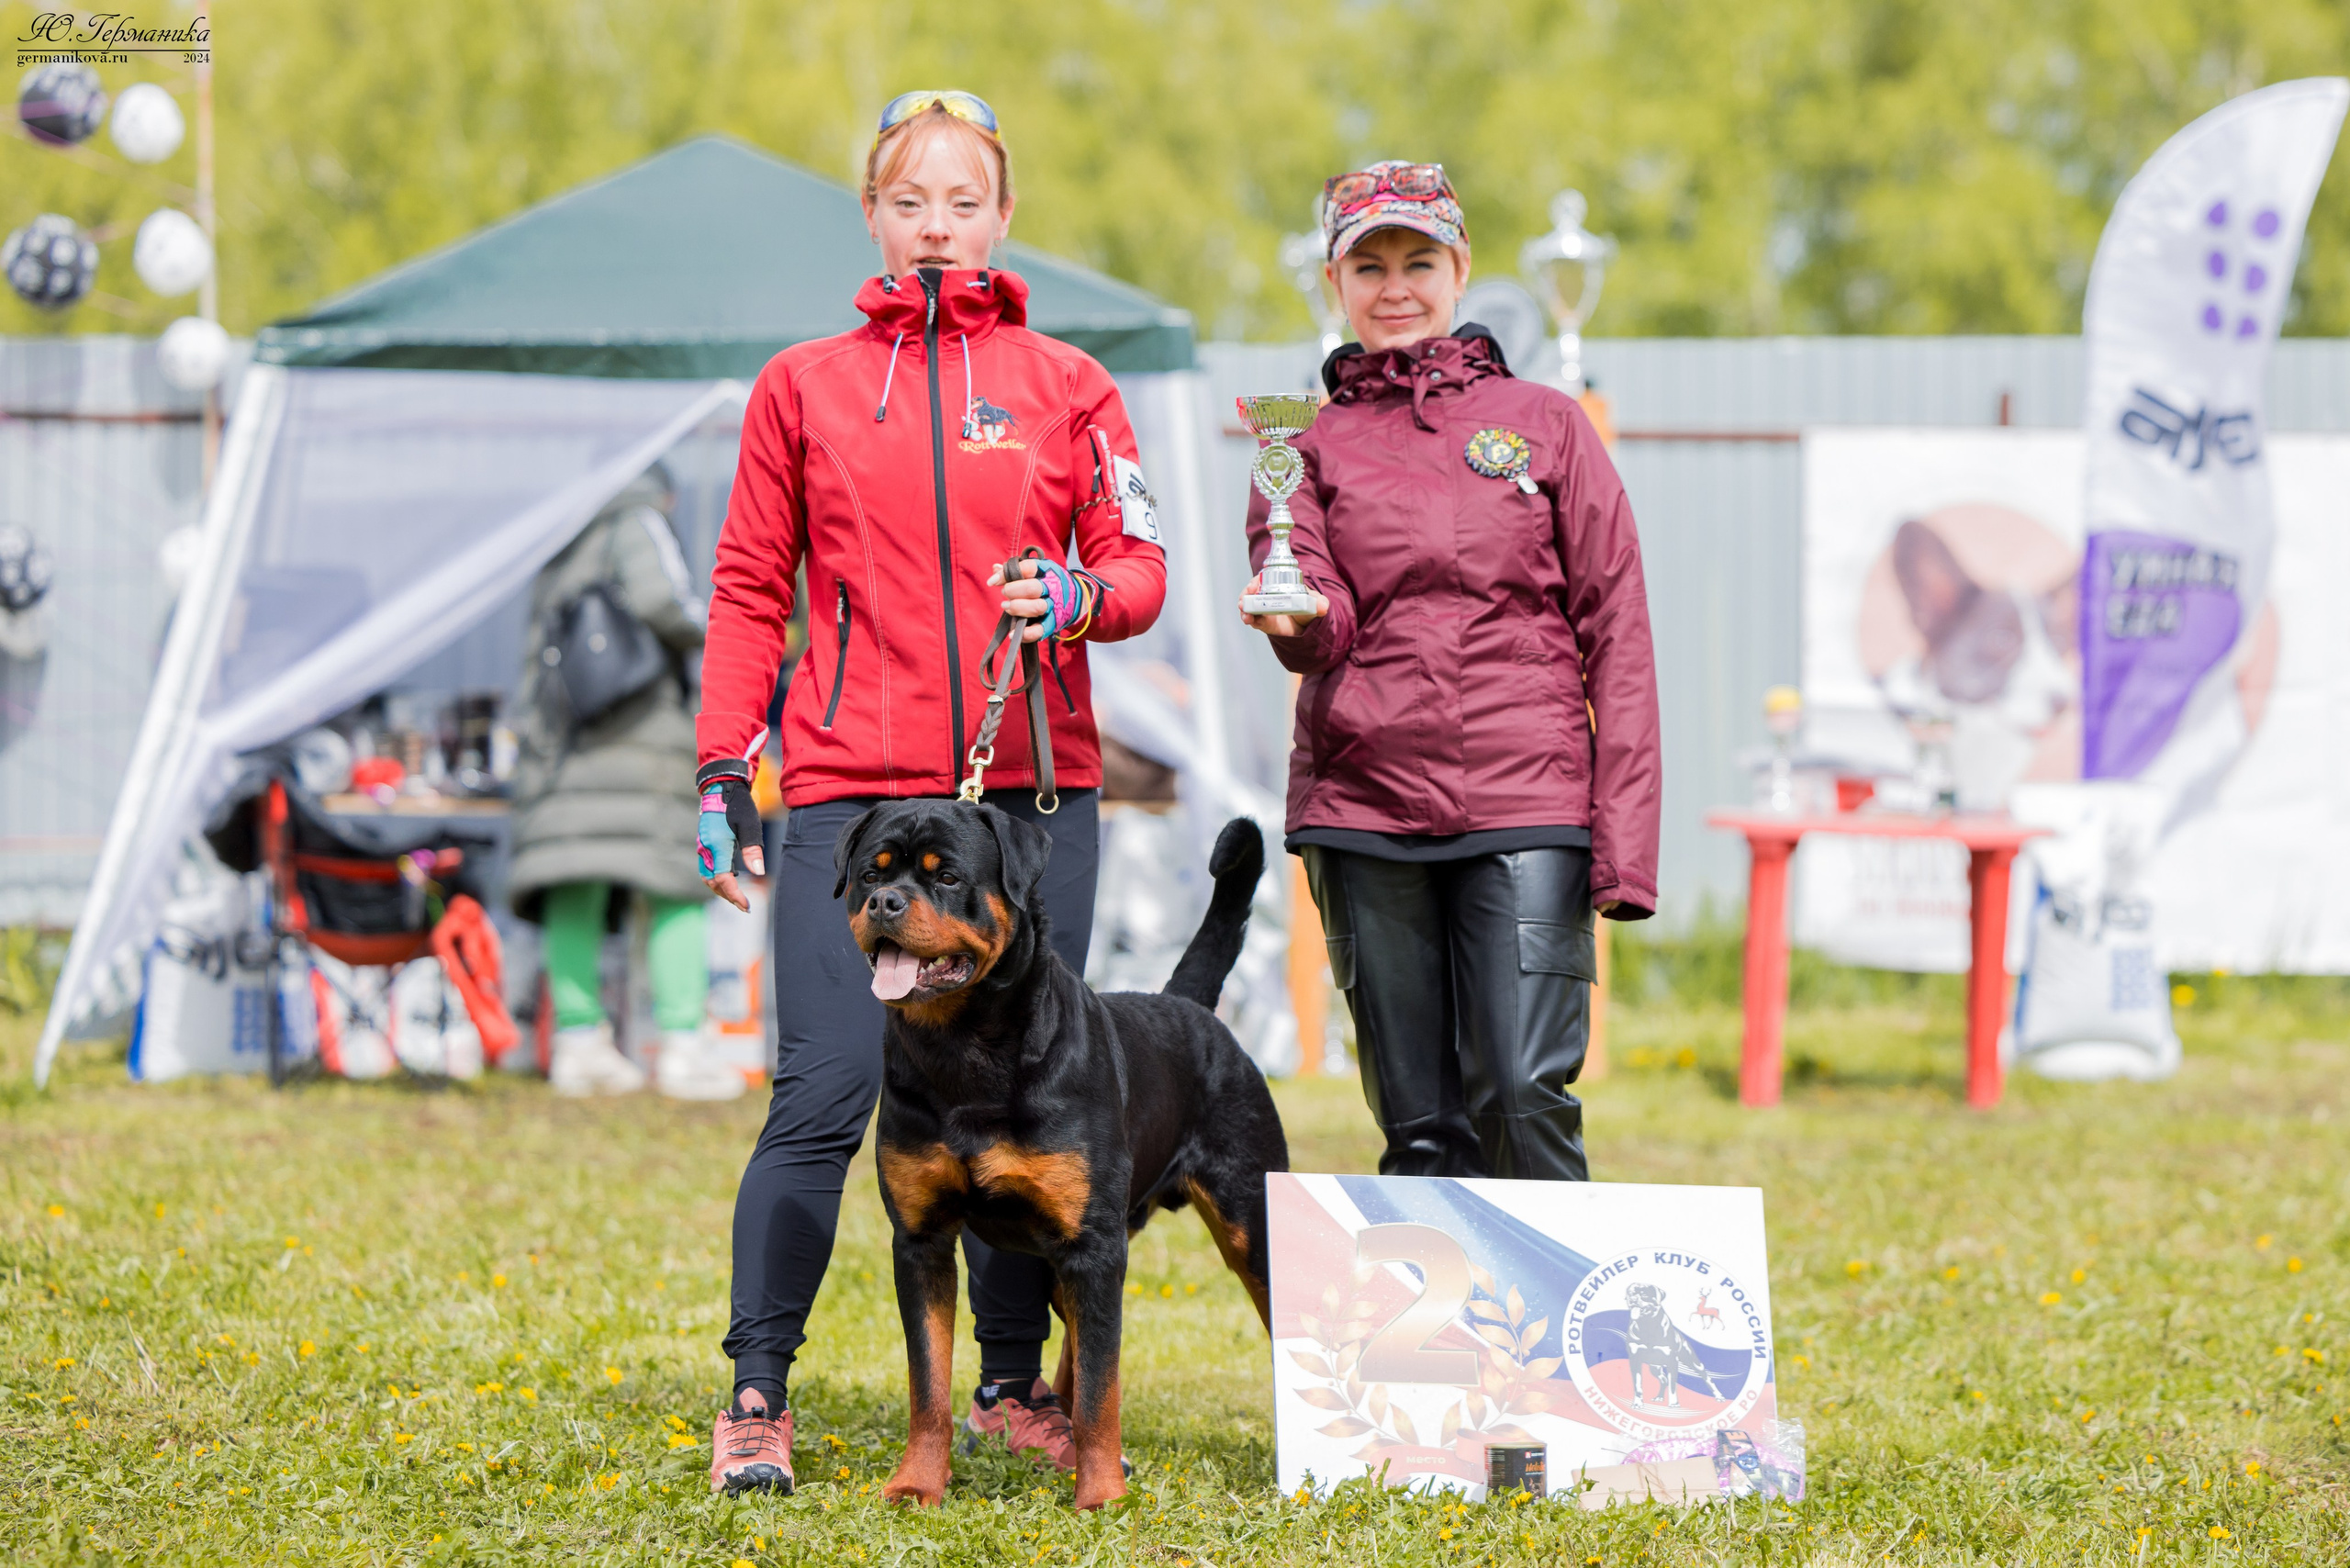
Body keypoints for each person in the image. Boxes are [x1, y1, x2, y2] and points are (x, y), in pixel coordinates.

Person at [689, 90, 1169, 1494]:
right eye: (913, 201)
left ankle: (1016, 1389)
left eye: (965, 201)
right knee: (824, 1092)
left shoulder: (1072, 383)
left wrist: (1078, 594)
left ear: (1005, 216)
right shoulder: (804, 385)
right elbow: (742, 591)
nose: (940, 225)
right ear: (875, 217)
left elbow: (1140, 569)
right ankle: (757, 1395)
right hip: (849, 796)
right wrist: (727, 766)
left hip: (1026, 800)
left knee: (1040, 1105)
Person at [1240, 162, 1661, 1182]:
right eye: (1368, 263)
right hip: (1365, 809)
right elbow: (1319, 626)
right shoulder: (1299, 443)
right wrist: (1294, 623)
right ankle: (1447, 1344)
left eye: (1418, 260)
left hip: (1527, 801)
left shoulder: (1547, 425)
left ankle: (1564, 1338)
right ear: (1334, 281)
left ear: (1459, 268)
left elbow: (1620, 633)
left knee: (1522, 1093)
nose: (1395, 286)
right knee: (1421, 1128)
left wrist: (1625, 845)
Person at [506, 465, 744, 1102]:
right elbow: (661, 599)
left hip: (567, 742)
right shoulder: (637, 518)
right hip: (640, 742)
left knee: (573, 884)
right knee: (674, 886)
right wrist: (728, 636)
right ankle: (682, 1045)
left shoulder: (556, 536)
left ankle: (580, 1045)